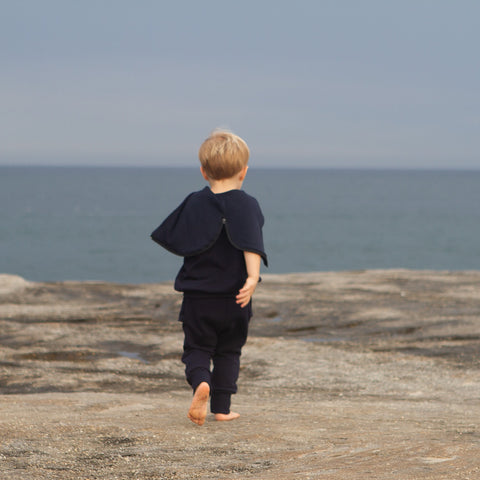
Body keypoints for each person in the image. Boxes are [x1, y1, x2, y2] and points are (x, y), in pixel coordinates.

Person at [151, 129, 268, 426]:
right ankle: (222, 409)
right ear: (244, 172)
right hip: (236, 298)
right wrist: (252, 279)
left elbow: (176, 236)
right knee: (229, 351)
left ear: (203, 172)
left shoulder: (194, 202)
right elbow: (251, 243)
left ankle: (201, 382)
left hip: (199, 299)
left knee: (197, 349)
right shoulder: (248, 204)